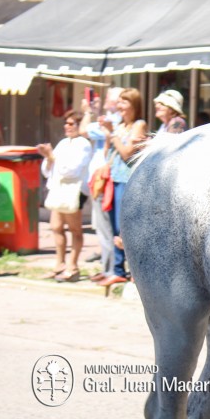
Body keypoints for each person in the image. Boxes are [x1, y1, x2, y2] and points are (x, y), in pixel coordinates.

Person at [98, 88, 147, 287]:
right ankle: (118, 269)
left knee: (125, 227)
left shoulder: (139, 125)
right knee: (113, 226)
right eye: (119, 102)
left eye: (124, 102)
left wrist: (113, 135)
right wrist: (109, 135)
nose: (120, 106)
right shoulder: (120, 125)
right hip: (114, 179)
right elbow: (107, 153)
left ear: (134, 105)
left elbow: (127, 154)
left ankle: (133, 269)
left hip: (128, 180)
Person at [37, 110, 92, 282]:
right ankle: (59, 264)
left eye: (71, 123)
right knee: (56, 227)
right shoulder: (63, 143)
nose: (67, 126)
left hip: (73, 191)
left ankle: (73, 266)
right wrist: (48, 157)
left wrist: (52, 157)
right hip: (59, 190)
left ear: (79, 125)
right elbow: (48, 170)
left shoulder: (83, 144)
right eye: (66, 123)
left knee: (75, 229)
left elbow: (72, 171)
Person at [79, 87, 122, 281]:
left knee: (108, 228)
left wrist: (88, 111)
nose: (104, 100)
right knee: (103, 227)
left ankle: (112, 270)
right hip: (100, 179)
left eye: (108, 97)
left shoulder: (114, 121)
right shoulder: (109, 119)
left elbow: (83, 130)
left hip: (107, 179)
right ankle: (108, 268)